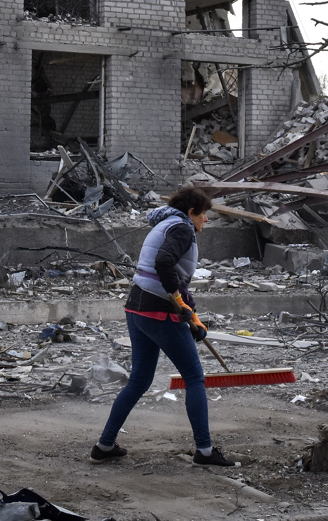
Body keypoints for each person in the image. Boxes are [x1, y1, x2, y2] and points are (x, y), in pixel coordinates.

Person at [90, 185, 235, 467]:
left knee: (139, 381)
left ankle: (104, 446)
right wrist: (179, 305)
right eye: (204, 214)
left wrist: (191, 315)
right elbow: (164, 264)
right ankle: (204, 451)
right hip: (159, 311)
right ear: (191, 212)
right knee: (194, 377)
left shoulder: (168, 223)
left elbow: (173, 278)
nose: (207, 220)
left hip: (137, 307)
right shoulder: (182, 229)